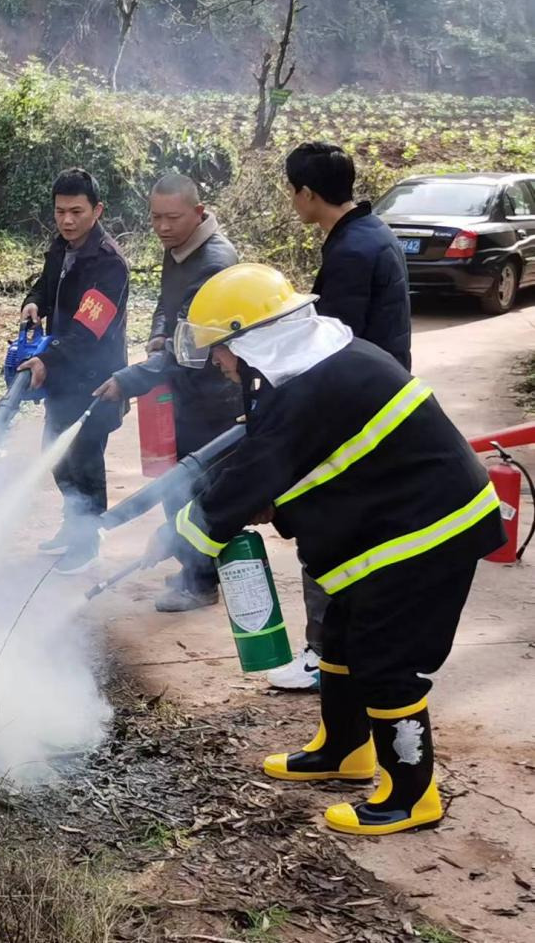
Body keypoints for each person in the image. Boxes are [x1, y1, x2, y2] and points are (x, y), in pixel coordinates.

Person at [144, 262, 503, 836]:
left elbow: (248, 480)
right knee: (337, 634)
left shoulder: (309, 388)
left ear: (252, 339)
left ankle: (411, 796)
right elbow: (303, 464)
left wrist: (179, 538)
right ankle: (345, 750)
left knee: (386, 660)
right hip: (396, 516)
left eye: (220, 349)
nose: (217, 362)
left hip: (431, 529)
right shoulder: (322, 364)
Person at [270, 141, 414, 691]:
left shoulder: (351, 251)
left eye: (293, 191)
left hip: (357, 413)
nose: (292, 201)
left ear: (308, 193)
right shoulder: (371, 232)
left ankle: (323, 652)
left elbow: (336, 346)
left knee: (326, 527)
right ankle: (351, 647)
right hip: (382, 400)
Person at [90, 173, 242, 612]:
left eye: (172, 217)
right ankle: (192, 568)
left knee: (199, 492)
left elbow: (193, 347)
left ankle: (201, 582)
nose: (161, 227)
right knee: (177, 488)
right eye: (155, 217)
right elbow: (166, 306)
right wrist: (159, 333)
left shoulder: (214, 262)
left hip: (212, 398)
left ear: (199, 212)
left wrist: (128, 379)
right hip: (183, 392)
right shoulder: (179, 247)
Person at [18, 168, 131, 575]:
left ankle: (87, 542)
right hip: (63, 376)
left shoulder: (109, 264)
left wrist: (46, 361)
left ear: (97, 210)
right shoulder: (61, 247)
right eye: (60, 211)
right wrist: (34, 302)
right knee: (58, 457)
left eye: (76, 212)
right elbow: (45, 286)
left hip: (96, 381)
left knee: (85, 460)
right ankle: (72, 525)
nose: (67, 220)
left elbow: (87, 330)